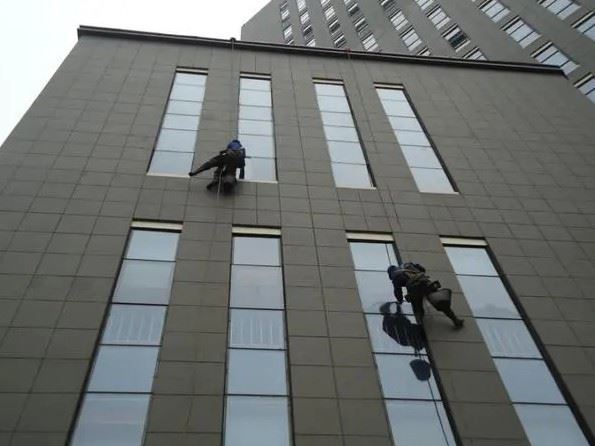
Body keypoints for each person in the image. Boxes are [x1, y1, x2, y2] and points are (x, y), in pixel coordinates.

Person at [387, 263, 464, 329]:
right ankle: (455, 320)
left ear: (391, 273)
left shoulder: (395, 275)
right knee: (440, 301)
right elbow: (422, 269)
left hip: (414, 289)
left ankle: (420, 326)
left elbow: (398, 291)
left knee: (418, 309)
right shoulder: (408, 264)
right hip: (426, 283)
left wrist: (400, 300)